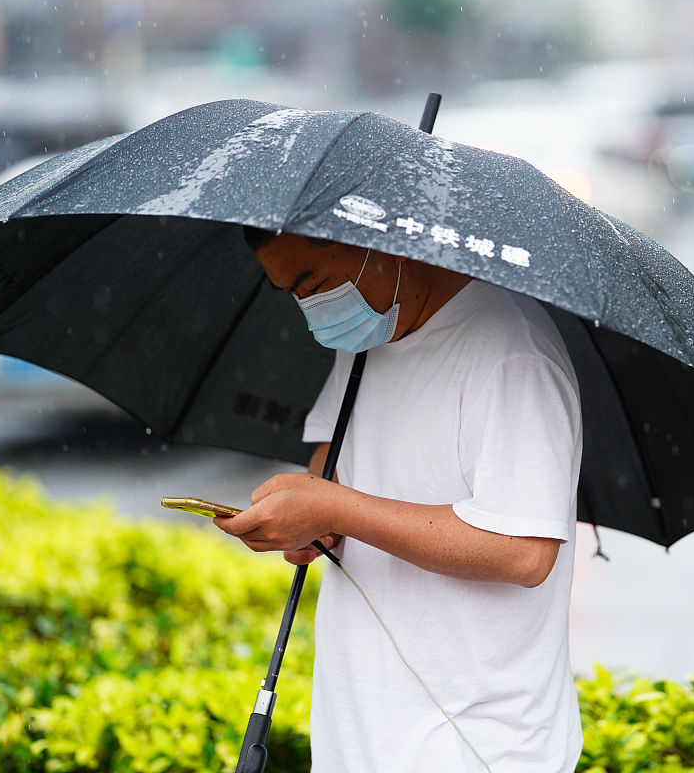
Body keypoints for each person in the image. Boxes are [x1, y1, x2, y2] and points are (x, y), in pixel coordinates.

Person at [214, 229, 584, 772]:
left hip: (473, 748)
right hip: (360, 734)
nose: (309, 306)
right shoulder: (368, 336)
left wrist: (334, 509)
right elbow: (334, 460)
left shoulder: (513, 353)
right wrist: (309, 521)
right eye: (290, 293)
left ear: (377, 242)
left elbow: (524, 552)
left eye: (311, 282)